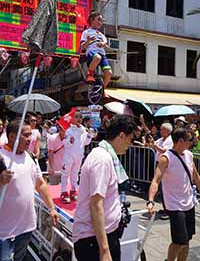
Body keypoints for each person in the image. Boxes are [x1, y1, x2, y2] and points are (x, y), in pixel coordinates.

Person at [73, 114, 136, 261]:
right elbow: (96, 204)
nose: (130, 144)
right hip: (93, 240)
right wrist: (104, 249)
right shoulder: (102, 159)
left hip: (102, 236)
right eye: (130, 139)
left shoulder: (106, 156)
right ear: (121, 135)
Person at [0, 120, 59, 261]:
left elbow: (40, 184)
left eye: (30, 135)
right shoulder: (1, 157)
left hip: (26, 228)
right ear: (12, 136)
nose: (30, 139)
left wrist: (51, 207)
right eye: (26, 135)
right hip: (4, 232)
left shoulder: (29, 157)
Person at [147, 128, 200, 261]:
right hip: (174, 205)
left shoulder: (189, 154)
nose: (191, 143)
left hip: (189, 202)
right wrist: (150, 200)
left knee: (187, 239)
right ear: (180, 141)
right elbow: (156, 180)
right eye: (189, 140)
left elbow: (196, 176)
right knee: (179, 241)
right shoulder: (166, 158)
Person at [60, 110, 95, 203]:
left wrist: (89, 135)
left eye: (80, 117)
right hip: (69, 156)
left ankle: (73, 191)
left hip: (79, 155)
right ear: (72, 119)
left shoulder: (83, 129)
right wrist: (69, 141)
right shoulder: (69, 130)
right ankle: (63, 192)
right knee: (65, 174)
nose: (79, 119)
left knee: (75, 173)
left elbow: (86, 143)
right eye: (76, 117)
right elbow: (65, 143)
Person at [80, 10, 112, 91]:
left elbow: (107, 46)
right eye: (98, 20)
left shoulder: (102, 35)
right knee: (97, 57)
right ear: (91, 20)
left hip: (102, 54)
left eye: (101, 21)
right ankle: (90, 74)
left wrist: (103, 44)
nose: (100, 22)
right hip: (92, 53)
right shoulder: (86, 32)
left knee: (109, 73)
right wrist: (88, 41)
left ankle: (102, 90)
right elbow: (83, 47)